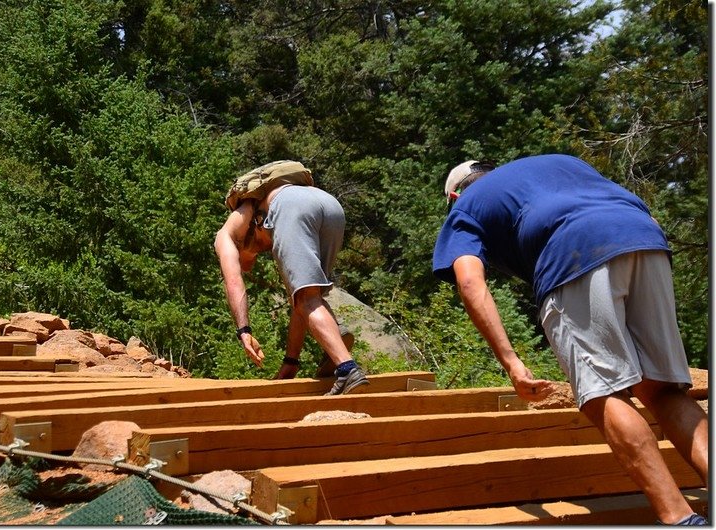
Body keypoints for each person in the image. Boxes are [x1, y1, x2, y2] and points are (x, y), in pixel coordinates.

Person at [432, 154, 708, 525]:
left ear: (453, 197)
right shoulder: (559, 164)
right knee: (662, 389)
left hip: (572, 253)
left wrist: (512, 362)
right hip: (644, 237)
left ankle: (679, 519)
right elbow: (638, 207)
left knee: (603, 393)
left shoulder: (465, 207)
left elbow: (469, 281)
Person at [214, 169, 369, 395]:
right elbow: (300, 305)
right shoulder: (265, 216)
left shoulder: (226, 236)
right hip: (330, 205)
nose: (251, 264)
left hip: (291, 206)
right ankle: (334, 339)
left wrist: (243, 330)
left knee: (308, 300)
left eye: (250, 260)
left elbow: (234, 281)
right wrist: (291, 361)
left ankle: (347, 369)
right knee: (307, 297)